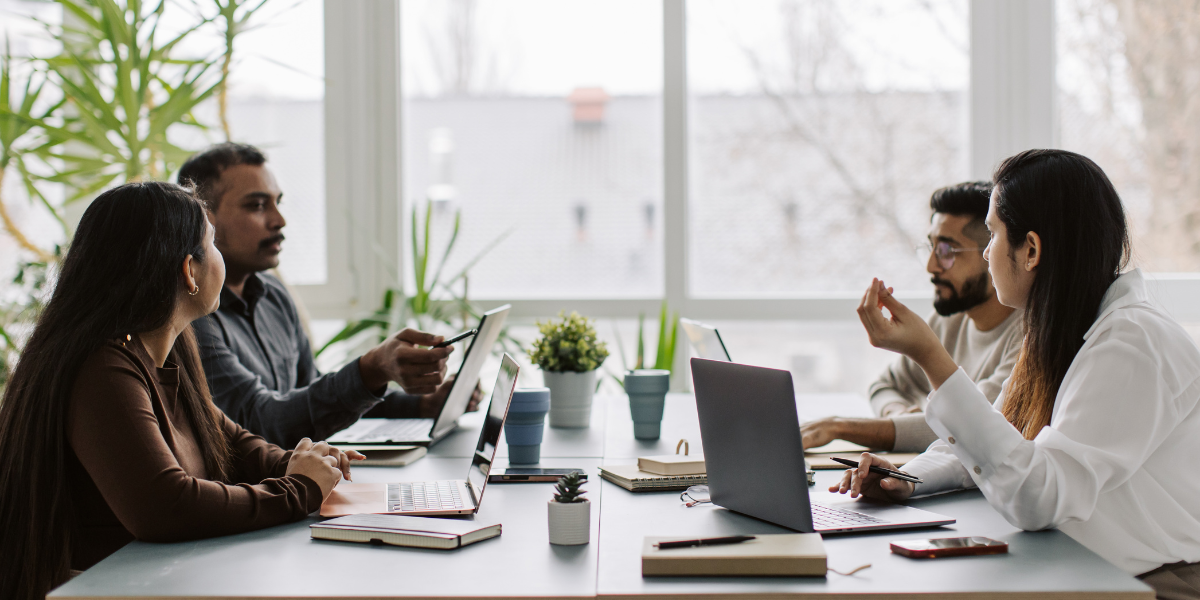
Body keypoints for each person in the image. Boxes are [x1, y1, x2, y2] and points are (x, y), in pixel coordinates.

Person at [837, 149, 1200, 597]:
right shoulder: (1061, 328)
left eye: (992, 234)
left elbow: (1039, 497)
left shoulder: (1133, 343)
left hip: (1154, 583)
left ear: (1030, 249)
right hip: (1078, 567)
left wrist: (932, 358)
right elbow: (1000, 436)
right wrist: (907, 480)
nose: (988, 253)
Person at [0, 182, 362, 600]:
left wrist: (303, 464)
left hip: (165, 578)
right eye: (214, 245)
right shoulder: (102, 369)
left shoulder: (165, 350)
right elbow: (164, 506)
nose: (220, 258)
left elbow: (233, 442)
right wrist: (298, 489)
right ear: (189, 271)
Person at [179, 143, 466, 448]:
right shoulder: (191, 315)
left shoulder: (274, 294)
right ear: (203, 219)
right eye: (257, 205)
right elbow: (259, 424)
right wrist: (370, 370)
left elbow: (311, 398)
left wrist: (420, 405)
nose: (279, 220)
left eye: (278, 203)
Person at [801, 182, 1023, 453]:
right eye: (930, 247)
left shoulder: (1027, 337)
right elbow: (884, 385)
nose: (931, 265)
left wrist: (838, 428)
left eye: (946, 251)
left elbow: (970, 427)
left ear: (992, 252)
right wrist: (899, 412)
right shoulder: (950, 319)